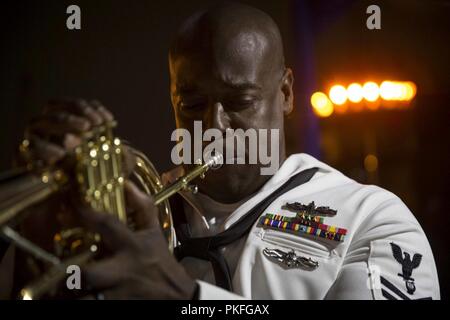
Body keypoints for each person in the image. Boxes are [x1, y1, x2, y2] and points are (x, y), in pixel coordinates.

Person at [0, 2, 440, 300]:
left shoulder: (374, 219)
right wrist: (37, 250)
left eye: (239, 102)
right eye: (191, 104)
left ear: (285, 92)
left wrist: (185, 295)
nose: (213, 126)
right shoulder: (129, 210)